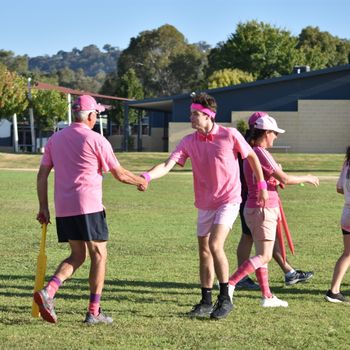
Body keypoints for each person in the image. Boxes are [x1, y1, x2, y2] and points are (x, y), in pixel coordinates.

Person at [139, 92, 268, 320]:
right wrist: (147, 177)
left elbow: (252, 158)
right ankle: (206, 300)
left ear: (209, 116)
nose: (192, 118)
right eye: (191, 114)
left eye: (196, 114)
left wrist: (262, 184)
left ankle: (225, 298)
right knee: (204, 251)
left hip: (229, 199)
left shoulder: (230, 135)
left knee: (215, 244)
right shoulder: (189, 141)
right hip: (205, 203)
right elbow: (168, 165)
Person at [34, 95, 148, 324]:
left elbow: (42, 175)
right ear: (90, 115)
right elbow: (119, 174)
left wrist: (44, 207)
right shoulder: (96, 140)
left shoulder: (55, 139)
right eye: (96, 114)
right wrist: (141, 181)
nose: (96, 117)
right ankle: (94, 312)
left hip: (64, 208)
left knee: (77, 255)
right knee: (99, 256)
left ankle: (48, 293)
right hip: (89, 207)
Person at [228, 115, 319, 307]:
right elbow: (284, 178)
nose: (276, 137)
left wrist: (274, 180)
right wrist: (307, 177)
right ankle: (230, 284)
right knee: (264, 255)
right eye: (274, 133)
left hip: (255, 208)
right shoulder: (260, 152)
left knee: (263, 254)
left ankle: (267, 296)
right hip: (263, 209)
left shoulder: (250, 151)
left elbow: (269, 178)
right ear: (266, 133)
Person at [325, 146, 350, 303]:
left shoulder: (347, 163)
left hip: (347, 212)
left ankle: (334, 291)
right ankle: (333, 291)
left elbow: (339, 188)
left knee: (348, 253)